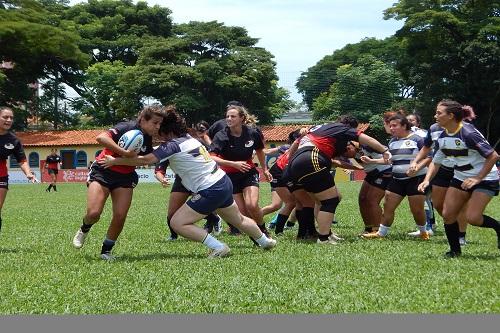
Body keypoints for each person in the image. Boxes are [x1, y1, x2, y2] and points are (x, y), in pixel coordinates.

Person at [100, 108, 276, 258]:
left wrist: (116, 161)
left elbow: (145, 159)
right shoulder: (190, 139)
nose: (156, 132)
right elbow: (156, 153)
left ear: (166, 130)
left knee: (177, 223)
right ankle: (265, 241)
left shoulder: (172, 145)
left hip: (210, 189)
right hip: (222, 181)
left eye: (159, 128)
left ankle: (218, 247)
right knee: (238, 219)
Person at [72, 105, 164, 260]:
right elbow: (101, 138)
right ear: (143, 120)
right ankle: (84, 228)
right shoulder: (126, 127)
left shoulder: (148, 139)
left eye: (159, 123)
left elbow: (143, 160)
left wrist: (120, 160)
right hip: (103, 170)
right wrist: (124, 153)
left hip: (125, 177)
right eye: (155, 123)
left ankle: (106, 251)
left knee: (120, 215)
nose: (158, 127)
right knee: (94, 213)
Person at [286, 118, 391, 244]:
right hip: (311, 157)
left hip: (297, 162)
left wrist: (289, 162)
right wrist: (385, 151)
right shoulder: (341, 128)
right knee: (330, 200)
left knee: (320, 200)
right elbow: (366, 138)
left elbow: (296, 143)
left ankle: (326, 233)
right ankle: (324, 238)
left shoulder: (320, 129)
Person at [418, 100, 499, 258]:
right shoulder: (442, 135)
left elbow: (493, 156)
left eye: (439, 113)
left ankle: (498, 227)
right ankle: (455, 251)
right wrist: (427, 179)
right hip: (460, 177)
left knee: (473, 218)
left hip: (486, 177)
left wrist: (477, 178)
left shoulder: (468, 133)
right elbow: (436, 160)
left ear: (451, 116)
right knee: (448, 214)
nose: (435, 116)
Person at [362, 114, 431, 240]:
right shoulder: (393, 142)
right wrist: (371, 161)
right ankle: (381, 233)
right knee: (388, 206)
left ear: (404, 126)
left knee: (417, 210)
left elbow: (429, 158)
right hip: (397, 180)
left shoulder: (418, 139)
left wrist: (417, 167)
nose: (391, 128)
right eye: (390, 126)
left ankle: (423, 232)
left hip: (416, 179)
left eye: (395, 126)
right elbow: (390, 161)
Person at [209, 105, 272, 237]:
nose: (229, 119)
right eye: (227, 116)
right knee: (242, 212)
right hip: (229, 176)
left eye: (233, 116)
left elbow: (260, 150)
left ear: (242, 118)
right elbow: (211, 157)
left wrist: (265, 169)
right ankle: (256, 235)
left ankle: (262, 229)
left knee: (252, 205)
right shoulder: (221, 136)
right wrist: (233, 164)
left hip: (248, 173)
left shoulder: (252, 132)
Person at [154, 120, 222, 241]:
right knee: (172, 213)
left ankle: (214, 220)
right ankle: (173, 236)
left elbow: (210, 155)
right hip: (182, 181)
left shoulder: (193, 142)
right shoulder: (167, 148)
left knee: (202, 208)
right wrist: (162, 179)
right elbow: (159, 170)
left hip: (200, 179)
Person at [0, 106, 39, 233]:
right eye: (5, 117)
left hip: (1, 176)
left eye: (11, 118)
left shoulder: (13, 140)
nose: (9, 120)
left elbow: (21, 160)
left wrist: (28, 173)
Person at [357, 111, 395, 235]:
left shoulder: (367, 143)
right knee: (362, 199)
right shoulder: (344, 144)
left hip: (383, 171)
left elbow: (388, 157)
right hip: (371, 172)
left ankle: (378, 230)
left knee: (372, 200)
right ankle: (368, 228)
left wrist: (373, 160)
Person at [406, 113, 437, 236]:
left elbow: (429, 151)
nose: (409, 122)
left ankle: (428, 226)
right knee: (426, 199)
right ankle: (431, 224)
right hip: (414, 171)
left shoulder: (422, 134)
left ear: (418, 123)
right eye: (407, 120)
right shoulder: (405, 135)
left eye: (412, 120)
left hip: (427, 170)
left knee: (425, 198)